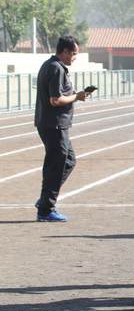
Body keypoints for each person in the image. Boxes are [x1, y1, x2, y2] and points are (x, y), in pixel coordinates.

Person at [34, 35, 91, 222]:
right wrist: (77, 97)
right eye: (73, 54)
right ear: (64, 52)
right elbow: (56, 100)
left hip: (55, 124)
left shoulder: (52, 66)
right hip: (54, 124)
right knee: (56, 165)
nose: (74, 58)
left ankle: (45, 201)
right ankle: (45, 209)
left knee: (68, 161)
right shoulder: (55, 68)